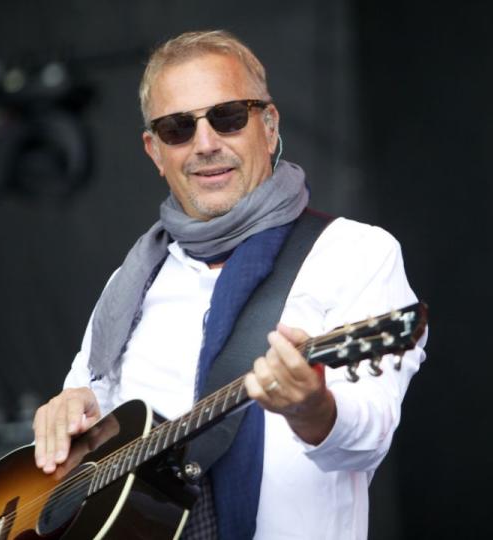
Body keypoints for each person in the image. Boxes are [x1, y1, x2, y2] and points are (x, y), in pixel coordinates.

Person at [32, 29, 427, 540]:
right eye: (177, 128)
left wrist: (313, 409)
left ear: (268, 125)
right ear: (155, 151)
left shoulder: (355, 253)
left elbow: (368, 435)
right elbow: (85, 404)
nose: (205, 143)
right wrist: (66, 416)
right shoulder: (131, 280)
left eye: (228, 116)